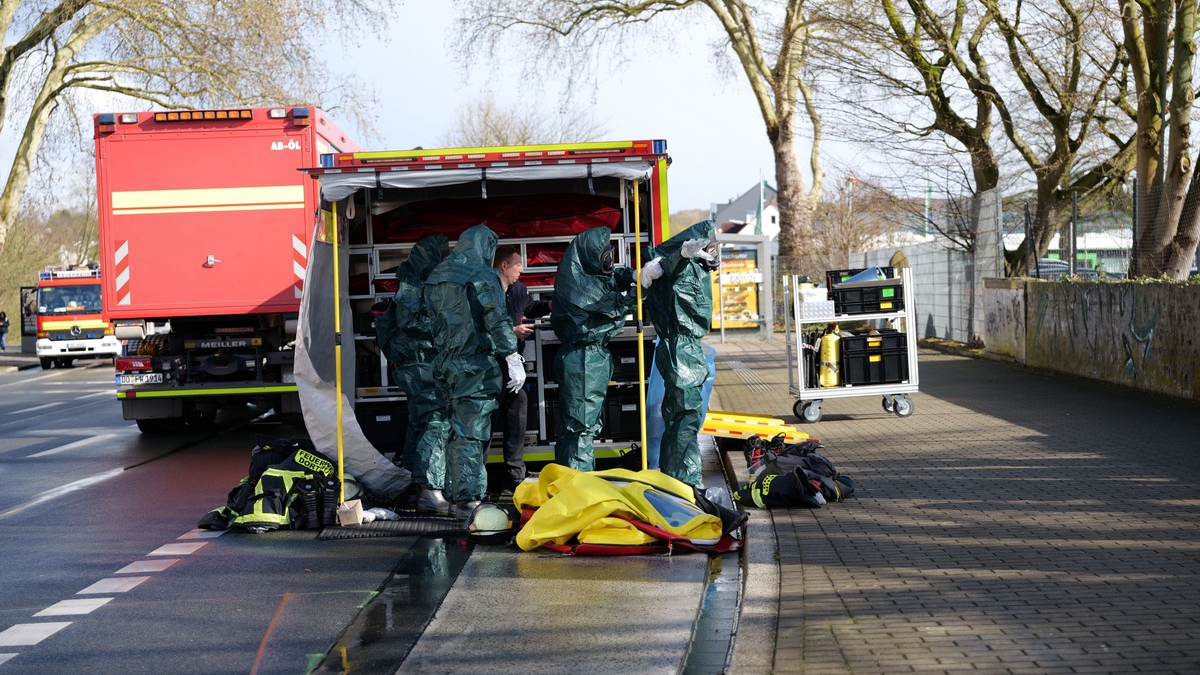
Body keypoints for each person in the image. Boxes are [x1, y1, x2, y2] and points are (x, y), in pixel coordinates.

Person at [424, 224, 525, 517]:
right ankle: (467, 500)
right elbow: (496, 317)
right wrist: (511, 356)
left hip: (444, 363)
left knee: (452, 430)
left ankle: (451, 493)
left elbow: (430, 319)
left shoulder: (437, 275)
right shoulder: (481, 274)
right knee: (471, 432)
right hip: (473, 365)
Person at [375, 234, 453, 514]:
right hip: (420, 366)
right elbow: (410, 322)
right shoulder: (412, 285)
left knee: (419, 425)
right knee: (436, 421)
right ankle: (429, 490)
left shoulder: (415, 282)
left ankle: (410, 487)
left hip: (419, 365)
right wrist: (445, 324)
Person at [550, 227, 637, 471]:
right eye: (604, 256)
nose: (608, 262)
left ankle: (568, 478)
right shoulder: (581, 286)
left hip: (583, 359)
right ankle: (579, 484)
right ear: (590, 256)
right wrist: (640, 287)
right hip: (584, 362)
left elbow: (610, 280)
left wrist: (631, 275)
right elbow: (614, 305)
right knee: (581, 426)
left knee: (576, 425)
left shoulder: (580, 277)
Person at [640, 220, 720, 487]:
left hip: (686, 349)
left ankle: (678, 479)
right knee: (684, 418)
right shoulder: (677, 268)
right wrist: (682, 256)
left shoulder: (693, 270)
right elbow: (670, 268)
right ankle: (685, 481)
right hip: (681, 351)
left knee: (683, 418)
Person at [490, 245, 552, 494]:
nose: (522, 270)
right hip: (490, 365)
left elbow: (528, 308)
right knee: (485, 422)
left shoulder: (518, 290)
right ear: (504, 265)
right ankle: (475, 481)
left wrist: (548, 305)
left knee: (517, 414)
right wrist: (511, 332)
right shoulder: (487, 290)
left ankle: (515, 476)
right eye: (518, 265)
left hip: (513, 365)